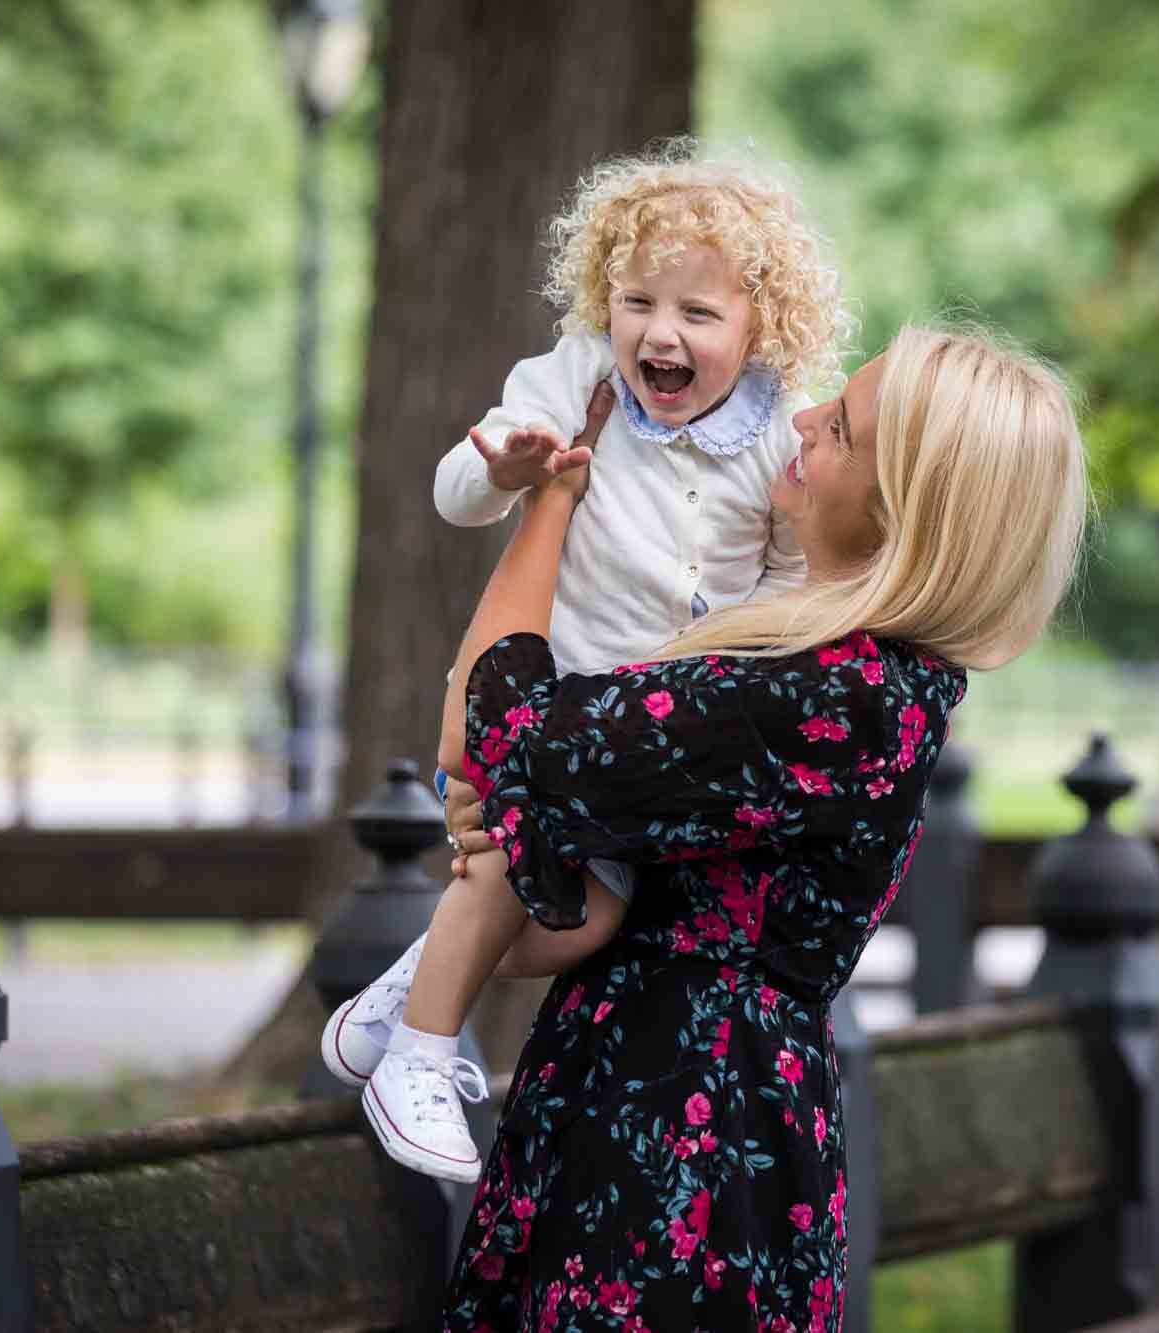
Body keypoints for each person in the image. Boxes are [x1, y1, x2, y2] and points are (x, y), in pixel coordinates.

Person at [436, 322, 1089, 1330]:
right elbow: (541, 794)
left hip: (681, 1140)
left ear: (900, 504)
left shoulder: (834, 694)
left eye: (841, 427)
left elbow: (511, 737)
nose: (802, 417)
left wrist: (553, 500)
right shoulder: (856, 675)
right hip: (670, 1093)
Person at [317, 141, 852, 1182]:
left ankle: (405, 991)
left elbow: (785, 574)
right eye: (636, 301)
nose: (659, 332)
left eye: (697, 316)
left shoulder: (770, 436)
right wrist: (506, 466)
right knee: (513, 868)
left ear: (757, 329)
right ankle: (418, 1055)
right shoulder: (572, 380)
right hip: (553, 703)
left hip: (652, 730)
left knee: (582, 922)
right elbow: (456, 491)